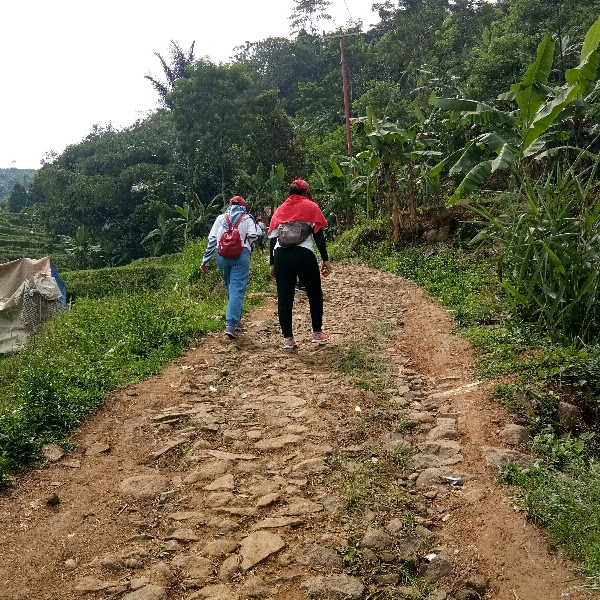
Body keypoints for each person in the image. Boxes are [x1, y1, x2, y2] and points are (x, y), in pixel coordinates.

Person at [268, 179, 332, 349]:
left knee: (285, 297)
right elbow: (318, 235)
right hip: (304, 255)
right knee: (314, 294)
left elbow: (273, 238)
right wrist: (325, 259)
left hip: (281, 255)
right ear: (305, 192)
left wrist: (272, 263)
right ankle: (317, 333)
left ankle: (288, 339)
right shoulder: (311, 207)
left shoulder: (280, 210)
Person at [201, 196, 260, 339]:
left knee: (230, 287)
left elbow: (212, 240)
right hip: (241, 256)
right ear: (243, 206)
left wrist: (205, 261)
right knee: (237, 288)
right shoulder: (246, 218)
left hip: (221, 256)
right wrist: (247, 244)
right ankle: (231, 324)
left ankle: (236, 319)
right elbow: (255, 235)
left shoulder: (221, 218)